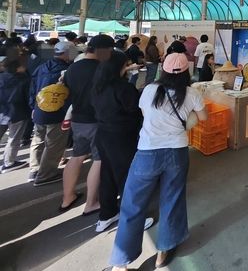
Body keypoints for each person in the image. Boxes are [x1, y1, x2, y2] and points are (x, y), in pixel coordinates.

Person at [109, 53, 206, 270]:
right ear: (186, 71)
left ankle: (120, 263)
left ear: (163, 69)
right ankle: (164, 251)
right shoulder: (192, 93)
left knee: (132, 204)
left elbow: (144, 113)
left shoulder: (151, 90)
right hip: (177, 152)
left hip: (147, 152)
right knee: (172, 200)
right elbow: (203, 118)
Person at [92, 50, 151, 233]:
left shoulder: (98, 85)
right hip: (122, 137)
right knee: (127, 176)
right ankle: (134, 219)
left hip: (103, 135)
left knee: (107, 174)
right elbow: (135, 110)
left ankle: (106, 214)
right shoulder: (123, 88)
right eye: (125, 65)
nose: (127, 68)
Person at [59, 34, 114, 214]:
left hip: (78, 120)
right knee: (99, 160)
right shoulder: (102, 69)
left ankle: (68, 197)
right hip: (97, 121)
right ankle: (91, 203)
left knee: (77, 157)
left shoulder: (73, 68)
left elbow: (64, 90)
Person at [28, 41, 76, 186]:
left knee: (38, 139)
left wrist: (33, 106)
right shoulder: (68, 71)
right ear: (67, 53)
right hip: (58, 113)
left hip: (39, 110)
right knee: (54, 144)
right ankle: (46, 174)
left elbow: (32, 88)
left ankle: (34, 169)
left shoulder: (42, 67)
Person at [0, 57, 31, 173]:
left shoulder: (1, 77)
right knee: (14, 138)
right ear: (17, 68)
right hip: (17, 113)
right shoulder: (23, 80)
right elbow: (28, 97)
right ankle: (9, 162)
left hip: (2, 112)